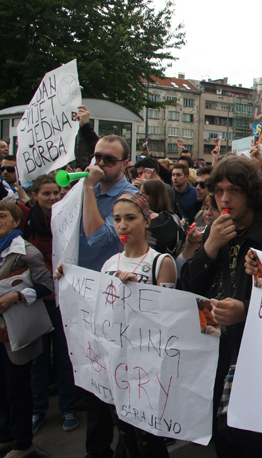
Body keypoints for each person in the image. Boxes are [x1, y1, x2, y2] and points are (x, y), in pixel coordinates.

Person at [181, 156, 262, 458]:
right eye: (218, 191)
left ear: (252, 192)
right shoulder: (216, 230)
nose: (225, 198)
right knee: (226, 445)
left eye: (234, 190)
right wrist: (209, 248)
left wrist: (246, 309)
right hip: (216, 358)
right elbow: (188, 290)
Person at [97, 193, 176, 455]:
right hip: (116, 366)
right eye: (117, 219)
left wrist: (137, 295)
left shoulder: (161, 263)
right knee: (125, 435)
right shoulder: (109, 263)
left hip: (147, 370)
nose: (122, 225)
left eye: (130, 218)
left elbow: (169, 318)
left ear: (146, 220)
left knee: (147, 442)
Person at [78, 134, 138, 458]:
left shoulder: (129, 197)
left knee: (116, 383)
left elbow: (99, 241)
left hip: (114, 299)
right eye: (97, 157)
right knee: (93, 382)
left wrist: (88, 189)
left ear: (125, 163)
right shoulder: (86, 190)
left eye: (109, 160)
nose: (100, 164)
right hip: (85, 295)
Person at [0, 201, 55, 458]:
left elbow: (48, 284)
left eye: (1, 215)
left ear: (15, 220)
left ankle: (23, 443)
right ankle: (5, 435)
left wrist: (17, 296)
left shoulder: (26, 252)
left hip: (16, 331)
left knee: (16, 387)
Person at [25, 176, 79, 434]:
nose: (53, 198)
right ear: (35, 195)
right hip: (38, 298)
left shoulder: (67, 216)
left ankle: (68, 406)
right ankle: (38, 409)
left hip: (63, 296)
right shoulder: (27, 222)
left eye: (56, 192)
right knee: (38, 359)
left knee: (65, 357)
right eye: (46, 194)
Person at [140, 179, 186, 258]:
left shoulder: (144, 222)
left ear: (153, 196)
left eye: (142, 194)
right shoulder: (174, 219)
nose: (139, 197)